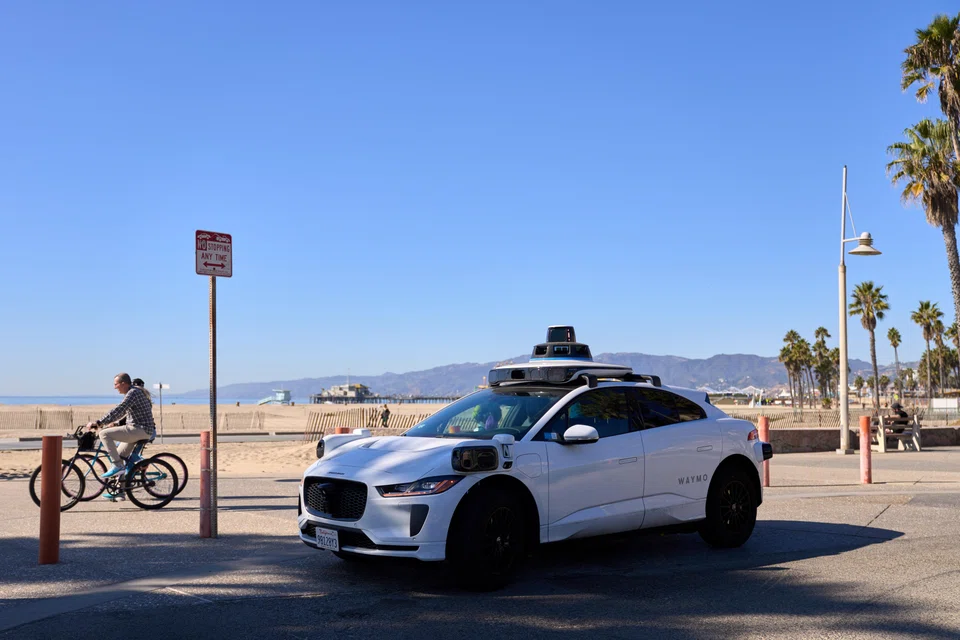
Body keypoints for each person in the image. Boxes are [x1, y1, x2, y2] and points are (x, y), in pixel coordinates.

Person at [86, 372, 157, 478]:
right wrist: (114, 423)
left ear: (123, 383)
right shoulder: (133, 392)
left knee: (104, 434)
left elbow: (120, 409)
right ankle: (119, 491)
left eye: (116, 384)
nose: (115, 387)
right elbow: (123, 413)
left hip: (140, 429)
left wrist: (99, 422)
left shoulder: (133, 393)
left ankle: (118, 466)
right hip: (139, 430)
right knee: (119, 457)